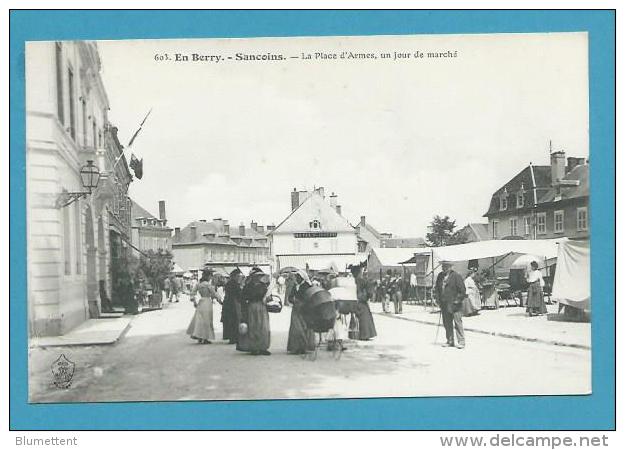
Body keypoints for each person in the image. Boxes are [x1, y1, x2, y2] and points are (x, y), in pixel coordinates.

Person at [237, 267, 272, 355]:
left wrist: (267, 298)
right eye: (256, 276)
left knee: (263, 327)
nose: (258, 278)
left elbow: (268, 297)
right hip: (252, 307)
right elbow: (242, 298)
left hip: (261, 306)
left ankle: (263, 347)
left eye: (259, 276)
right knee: (253, 327)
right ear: (252, 277)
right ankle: (254, 347)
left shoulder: (263, 285)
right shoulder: (248, 286)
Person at [435, 261, 467, 349]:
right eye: (443, 266)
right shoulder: (440, 276)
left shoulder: (456, 276)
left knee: (457, 323)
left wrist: (457, 301)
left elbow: (462, 291)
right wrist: (438, 300)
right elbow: (437, 289)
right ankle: (450, 341)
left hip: (455, 305)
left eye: (445, 266)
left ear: (450, 267)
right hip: (444, 304)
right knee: (447, 323)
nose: (443, 268)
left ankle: (461, 342)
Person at [287, 269, 316, 354]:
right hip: (296, 309)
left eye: (298, 277)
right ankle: (296, 347)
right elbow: (290, 297)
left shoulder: (307, 286)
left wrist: (303, 303)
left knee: (304, 328)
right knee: (296, 328)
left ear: (302, 278)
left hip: (305, 310)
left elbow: (310, 297)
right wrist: (292, 300)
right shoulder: (295, 286)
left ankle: (303, 347)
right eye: (296, 277)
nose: (297, 278)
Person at [186, 269, 217, 344]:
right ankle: (205, 337)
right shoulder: (208, 285)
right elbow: (214, 294)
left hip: (201, 302)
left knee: (200, 320)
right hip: (207, 302)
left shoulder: (198, 284)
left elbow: (192, 293)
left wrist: (194, 301)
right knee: (207, 320)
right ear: (208, 276)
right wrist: (220, 300)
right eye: (210, 276)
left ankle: (199, 335)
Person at [352, 265, 377, 340]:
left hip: (354, 299)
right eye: (361, 272)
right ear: (359, 272)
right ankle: (365, 335)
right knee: (365, 317)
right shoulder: (360, 280)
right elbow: (369, 285)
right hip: (361, 300)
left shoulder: (353, 280)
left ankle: (355, 334)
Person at [222, 269, 243, 344]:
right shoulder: (234, 284)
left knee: (229, 320)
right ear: (234, 276)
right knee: (234, 320)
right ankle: (234, 337)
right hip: (233, 303)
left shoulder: (229, 283)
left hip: (228, 302)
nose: (239, 278)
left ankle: (231, 337)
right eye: (238, 276)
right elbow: (238, 294)